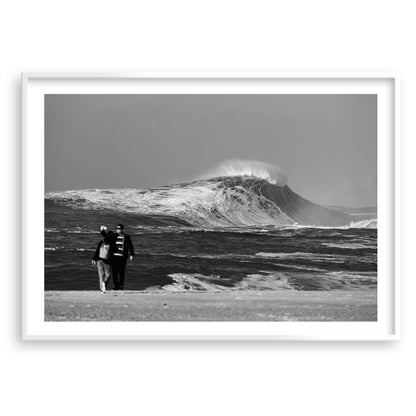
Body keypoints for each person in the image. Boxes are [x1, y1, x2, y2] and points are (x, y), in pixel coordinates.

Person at [100, 224, 134, 290]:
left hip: (122, 257)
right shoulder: (113, 236)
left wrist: (131, 254)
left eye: (120, 229)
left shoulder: (126, 237)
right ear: (116, 230)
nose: (118, 230)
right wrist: (102, 231)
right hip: (114, 257)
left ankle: (121, 286)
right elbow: (106, 236)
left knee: (122, 272)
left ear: (122, 229)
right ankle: (116, 285)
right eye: (117, 229)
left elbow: (130, 246)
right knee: (115, 272)